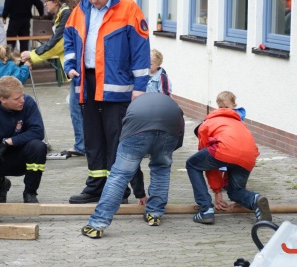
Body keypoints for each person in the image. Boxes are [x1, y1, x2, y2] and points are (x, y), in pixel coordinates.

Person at [64, 0, 150, 204]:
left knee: (116, 138)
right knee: (92, 137)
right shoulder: (80, 9)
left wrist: (139, 88)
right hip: (87, 81)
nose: (93, 1)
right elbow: (68, 38)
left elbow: (140, 50)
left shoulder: (129, 9)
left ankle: (118, 189)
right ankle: (95, 186)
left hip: (117, 85)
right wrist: (69, 65)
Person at [81, 93, 185, 238]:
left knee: (120, 175)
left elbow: (130, 166)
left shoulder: (132, 108)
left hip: (139, 127)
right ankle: (154, 214)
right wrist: (164, 154)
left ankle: (97, 225)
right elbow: (178, 139)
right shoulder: (169, 103)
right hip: (170, 126)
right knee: (161, 170)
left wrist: (139, 191)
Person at [186, 107, 272, 225]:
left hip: (225, 150)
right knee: (235, 191)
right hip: (249, 155)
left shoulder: (204, 126)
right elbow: (232, 157)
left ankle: (206, 210)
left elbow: (210, 166)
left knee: (192, 164)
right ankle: (255, 200)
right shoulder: (237, 122)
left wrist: (217, 191)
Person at [20, 0, 84, 157]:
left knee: (77, 109)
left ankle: (82, 145)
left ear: (56, 1)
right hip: (75, 68)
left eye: (46, 1)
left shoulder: (67, 13)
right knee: (79, 109)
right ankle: (85, 143)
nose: (44, 5)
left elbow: (59, 43)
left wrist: (33, 55)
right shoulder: (63, 13)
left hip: (76, 68)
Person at [215, 90, 246, 189]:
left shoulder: (237, 118)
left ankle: (239, 185)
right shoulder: (217, 117)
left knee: (236, 166)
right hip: (222, 144)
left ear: (234, 105)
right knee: (219, 166)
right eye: (220, 108)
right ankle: (220, 183)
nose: (224, 110)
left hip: (236, 145)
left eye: (227, 107)